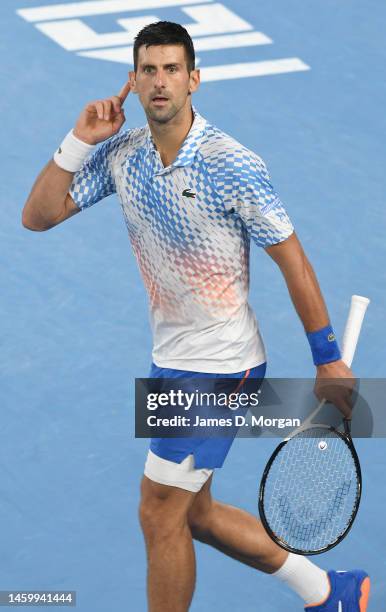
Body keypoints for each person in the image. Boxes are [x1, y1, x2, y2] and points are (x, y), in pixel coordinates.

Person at [22, 20, 370, 612]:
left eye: (172, 70)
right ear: (133, 80)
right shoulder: (122, 155)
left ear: (194, 79)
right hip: (170, 358)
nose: (160, 82)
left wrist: (327, 355)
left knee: (159, 513)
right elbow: (39, 215)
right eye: (149, 70)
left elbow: (294, 262)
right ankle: (328, 592)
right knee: (196, 513)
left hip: (221, 366)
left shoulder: (232, 164)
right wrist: (80, 138)